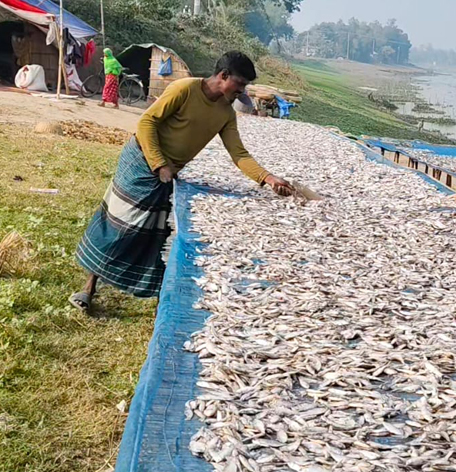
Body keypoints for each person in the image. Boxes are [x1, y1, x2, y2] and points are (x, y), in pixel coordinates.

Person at [69, 51, 293, 313]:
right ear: (223, 76)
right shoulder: (184, 89)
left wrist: (267, 177)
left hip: (167, 173)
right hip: (141, 161)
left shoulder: (225, 113)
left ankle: (155, 297)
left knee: (154, 235)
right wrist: (159, 163)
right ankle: (88, 287)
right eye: (240, 84)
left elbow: (239, 153)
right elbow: (147, 123)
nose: (242, 91)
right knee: (119, 223)